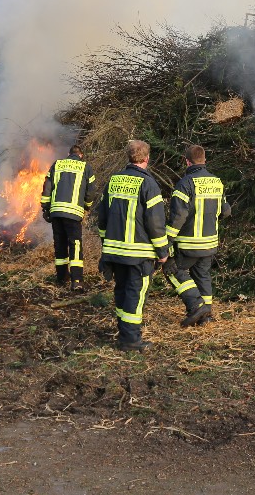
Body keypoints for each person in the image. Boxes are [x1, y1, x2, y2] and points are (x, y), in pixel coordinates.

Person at [97, 140, 169, 352]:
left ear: (128, 156)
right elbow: (155, 223)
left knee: (121, 290)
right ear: (147, 158)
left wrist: (106, 245)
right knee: (134, 295)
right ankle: (131, 340)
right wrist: (163, 252)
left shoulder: (114, 180)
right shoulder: (148, 184)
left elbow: (102, 217)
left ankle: (124, 332)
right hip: (139, 254)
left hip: (114, 251)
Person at [166, 145, 231, 327]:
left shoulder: (185, 184)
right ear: (204, 160)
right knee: (202, 275)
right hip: (209, 243)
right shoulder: (217, 182)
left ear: (187, 162)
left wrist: (167, 241)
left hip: (188, 244)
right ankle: (206, 316)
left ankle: (196, 306)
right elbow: (226, 211)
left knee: (172, 270)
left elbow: (178, 217)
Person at [40, 145, 97, 291]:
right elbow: (91, 192)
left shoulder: (57, 164)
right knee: (75, 245)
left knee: (59, 244)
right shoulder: (86, 167)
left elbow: (47, 187)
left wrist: (45, 207)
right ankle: (77, 281)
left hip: (56, 212)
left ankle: (61, 278)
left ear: (68, 153)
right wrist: (86, 207)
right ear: (81, 155)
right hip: (73, 213)